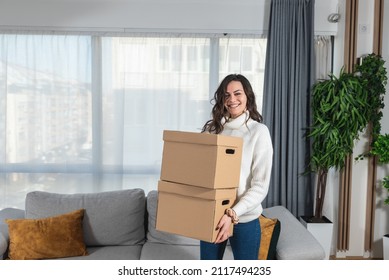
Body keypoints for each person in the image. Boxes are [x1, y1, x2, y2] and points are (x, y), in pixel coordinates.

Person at [200, 74, 273, 260]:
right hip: (213, 216)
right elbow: (201, 174)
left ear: (248, 96)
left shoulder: (259, 132)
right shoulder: (213, 130)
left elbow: (260, 186)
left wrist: (233, 213)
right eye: (226, 95)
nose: (232, 99)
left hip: (245, 219)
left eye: (237, 93)